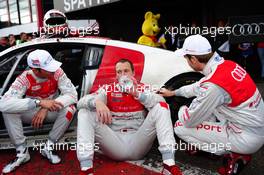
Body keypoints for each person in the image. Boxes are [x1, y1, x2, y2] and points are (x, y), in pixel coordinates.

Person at [159, 34, 264, 175]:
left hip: (246, 137)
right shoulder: (227, 65)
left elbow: (189, 121)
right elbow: (198, 87)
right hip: (254, 127)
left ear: (194, 59)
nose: (187, 62)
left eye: (186, 59)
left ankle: (233, 152)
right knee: (211, 106)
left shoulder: (213, 86)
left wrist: (183, 108)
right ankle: (225, 146)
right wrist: (174, 93)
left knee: (180, 126)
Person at [76, 59, 182, 175]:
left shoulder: (142, 88)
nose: (122, 75)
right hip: (114, 143)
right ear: (116, 75)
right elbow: (80, 103)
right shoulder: (107, 89)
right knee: (84, 112)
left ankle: (169, 165)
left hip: (138, 143)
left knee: (162, 107)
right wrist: (97, 102)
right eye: (119, 72)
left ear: (133, 73)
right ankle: (86, 169)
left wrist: (136, 93)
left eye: (126, 71)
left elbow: (161, 100)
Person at [0, 49, 78, 174]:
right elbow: (3, 104)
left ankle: (49, 146)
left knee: (70, 108)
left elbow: (73, 95)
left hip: (51, 108)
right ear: (36, 70)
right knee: (8, 110)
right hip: (32, 111)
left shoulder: (58, 72)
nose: (53, 70)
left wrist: (45, 107)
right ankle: (22, 152)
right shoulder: (24, 78)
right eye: (48, 68)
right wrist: (38, 103)